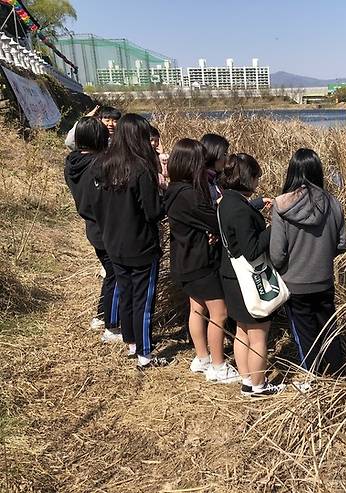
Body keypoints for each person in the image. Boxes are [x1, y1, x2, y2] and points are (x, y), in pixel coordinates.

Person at [89, 114, 168, 369]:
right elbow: (153, 211)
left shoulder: (102, 164)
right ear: (138, 137)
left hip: (113, 242)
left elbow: (95, 205)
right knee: (143, 299)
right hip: (141, 243)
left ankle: (132, 343)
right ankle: (145, 354)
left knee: (126, 293)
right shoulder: (141, 168)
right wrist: (166, 195)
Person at [164, 138, 240, 383]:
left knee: (197, 309)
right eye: (199, 161)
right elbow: (215, 221)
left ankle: (202, 357)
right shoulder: (190, 195)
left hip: (183, 261)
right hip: (199, 263)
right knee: (219, 312)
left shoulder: (174, 189)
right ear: (190, 164)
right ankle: (218, 366)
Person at [270, 149, 346, 376]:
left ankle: (313, 378)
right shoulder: (333, 202)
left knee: (304, 334)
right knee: (328, 330)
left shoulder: (281, 205)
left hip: (294, 284)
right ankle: (336, 374)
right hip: (324, 281)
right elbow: (342, 244)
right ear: (318, 171)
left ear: (292, 172)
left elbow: (277, 254)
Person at [218, 153, 285, 397]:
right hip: (246, 280)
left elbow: (237, 221)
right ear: (246, 178)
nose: (258, 181)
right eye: (255, 176)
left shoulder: (227, 201)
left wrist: (257, 204)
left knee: (242, 332)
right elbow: (253, 249)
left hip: (230, 276)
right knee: (258, 335)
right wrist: (274, 227)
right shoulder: (240, 210)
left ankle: (247, 380)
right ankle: (258, 386)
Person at [64, 117, 121, 343]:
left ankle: (102, 316)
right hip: (106, 226)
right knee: (115, 275)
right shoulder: (99, 165)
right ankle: (112, 325)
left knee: (110, 273)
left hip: (92, 225)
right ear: (99, 137)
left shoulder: (73, 162)